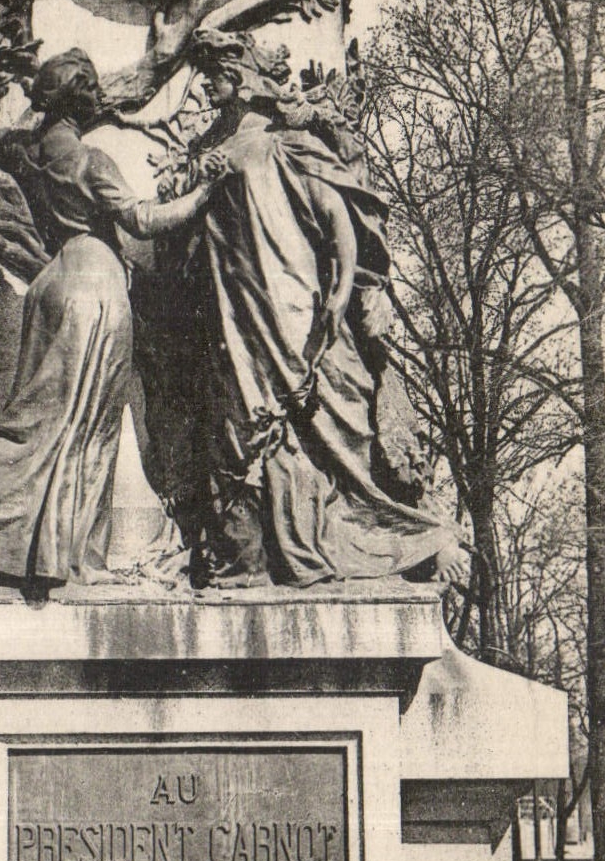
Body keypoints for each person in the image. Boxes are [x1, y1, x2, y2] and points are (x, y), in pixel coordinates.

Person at [0, 48, 224, 590]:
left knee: (34, 416)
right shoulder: (91, 162)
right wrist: (206, 191)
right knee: (87, 426)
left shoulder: (25, 147)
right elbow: (143, 220)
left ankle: (28, 550)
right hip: (95, 286)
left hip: (52, 282)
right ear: (82, 100)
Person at [164, 30, 461, 586]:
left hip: (294, 314)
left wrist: (344, 290)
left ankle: (388, 538)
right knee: (242, 434)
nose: (207, 80)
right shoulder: (209, 155)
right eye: (205, 69)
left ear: (245, 77)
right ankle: (249, 557)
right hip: (237, 320)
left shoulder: (282, 144)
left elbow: (338, 219)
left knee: (320, 429)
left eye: (218, 67)